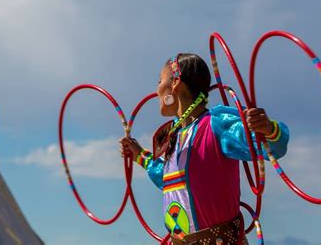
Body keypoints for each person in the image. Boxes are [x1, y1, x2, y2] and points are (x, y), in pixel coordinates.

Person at [120, 53, 289, 245]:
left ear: (175, 82)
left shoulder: (216, 126)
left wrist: (268, 129)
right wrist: (140, 155)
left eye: (160, 81)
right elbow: (170, 181)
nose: (157, 89)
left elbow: (272, 148)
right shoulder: (174, 136)